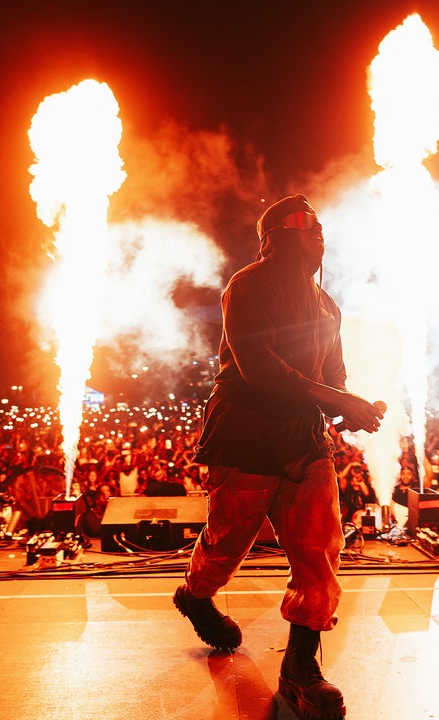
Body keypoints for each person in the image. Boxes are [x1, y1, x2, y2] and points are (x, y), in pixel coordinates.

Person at [172, 194, 383, 720]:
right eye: (305, 227)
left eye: (319, 228)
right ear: (276, 238)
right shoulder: (246, 286)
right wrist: (336, 399)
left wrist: (351, 408)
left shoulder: (328, 306)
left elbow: (332, 377)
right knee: (226, 542)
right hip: (245, 432)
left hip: (303, 441)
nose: (318, 236)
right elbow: (259, 367)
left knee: (319, 547)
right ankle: (197, 596)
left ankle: (301, 670)